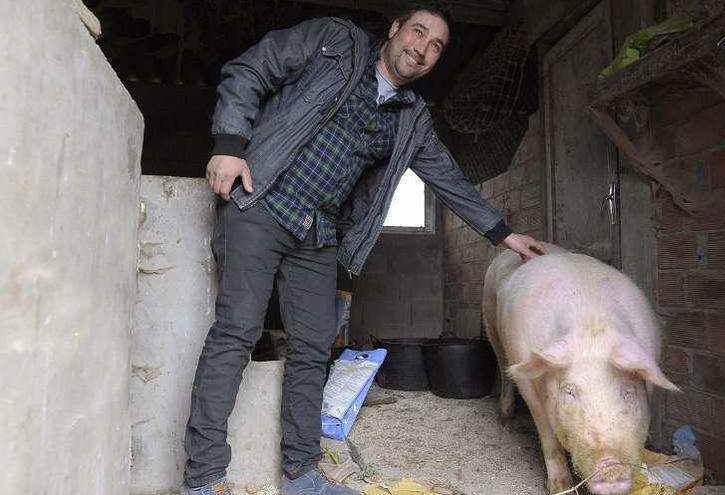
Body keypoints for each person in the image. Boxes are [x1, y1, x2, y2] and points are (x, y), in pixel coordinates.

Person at [182, 5, 545, 495]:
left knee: (313, 349)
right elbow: (251, 67)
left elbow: (449, 178)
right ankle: (203, 478)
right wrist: (229, 142)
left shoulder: (413, 119)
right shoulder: (334, 41)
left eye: (436, 45)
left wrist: (504, 234)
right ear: (394, 30)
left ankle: (301, 475)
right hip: (262, 202)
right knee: (237, 331)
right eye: (418, 32)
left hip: (317, 232)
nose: (422, 47)